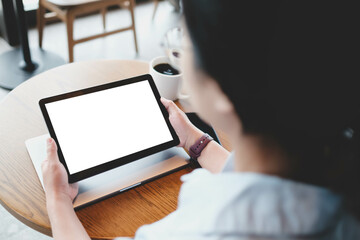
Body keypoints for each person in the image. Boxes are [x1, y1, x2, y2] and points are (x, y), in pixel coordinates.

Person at [41, 1, 360, 239]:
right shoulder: (334, 172)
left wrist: (57, 198)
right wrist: (195, 140)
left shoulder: (204, 229)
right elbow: (269, 191)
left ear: (223, 89)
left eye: (185, 43)